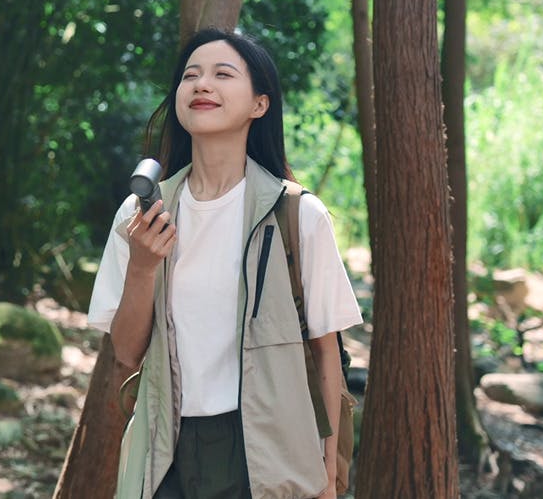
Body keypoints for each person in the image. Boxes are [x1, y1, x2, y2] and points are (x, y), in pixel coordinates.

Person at [87, 27, 363, 499]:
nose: (202, 84)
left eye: (222, 74)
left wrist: (328, 478)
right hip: (166, 447)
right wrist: (142, 266)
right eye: (190, 75)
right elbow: (127, 353)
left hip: (269, 450)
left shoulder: (297, 215)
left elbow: (326, 354)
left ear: (260, 103)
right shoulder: (141, 216)